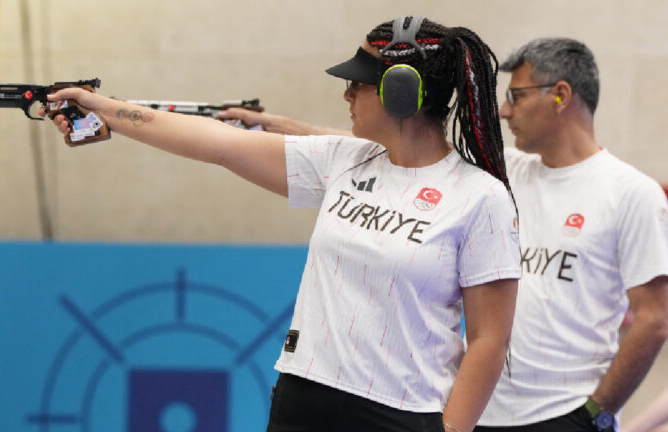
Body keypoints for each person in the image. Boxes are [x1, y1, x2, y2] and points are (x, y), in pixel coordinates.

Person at [46, 15, 521, 432]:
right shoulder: (345, 161)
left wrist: (452, 430)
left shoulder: (480, 198)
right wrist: (102, 107)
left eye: (357, 83)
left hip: (403, 411)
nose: (346, 93)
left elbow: (488, 339)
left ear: (401, 91)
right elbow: (216, 143)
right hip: (305, 399)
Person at [222, 37, 668, 432]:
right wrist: (278, 125)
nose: (505, 109)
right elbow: (359, 148)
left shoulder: (631, 194)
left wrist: (597, 413)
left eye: (517, 95)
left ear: (561, 96)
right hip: (476, 409)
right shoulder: (499, 174)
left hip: (563, 414)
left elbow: (653, 318)